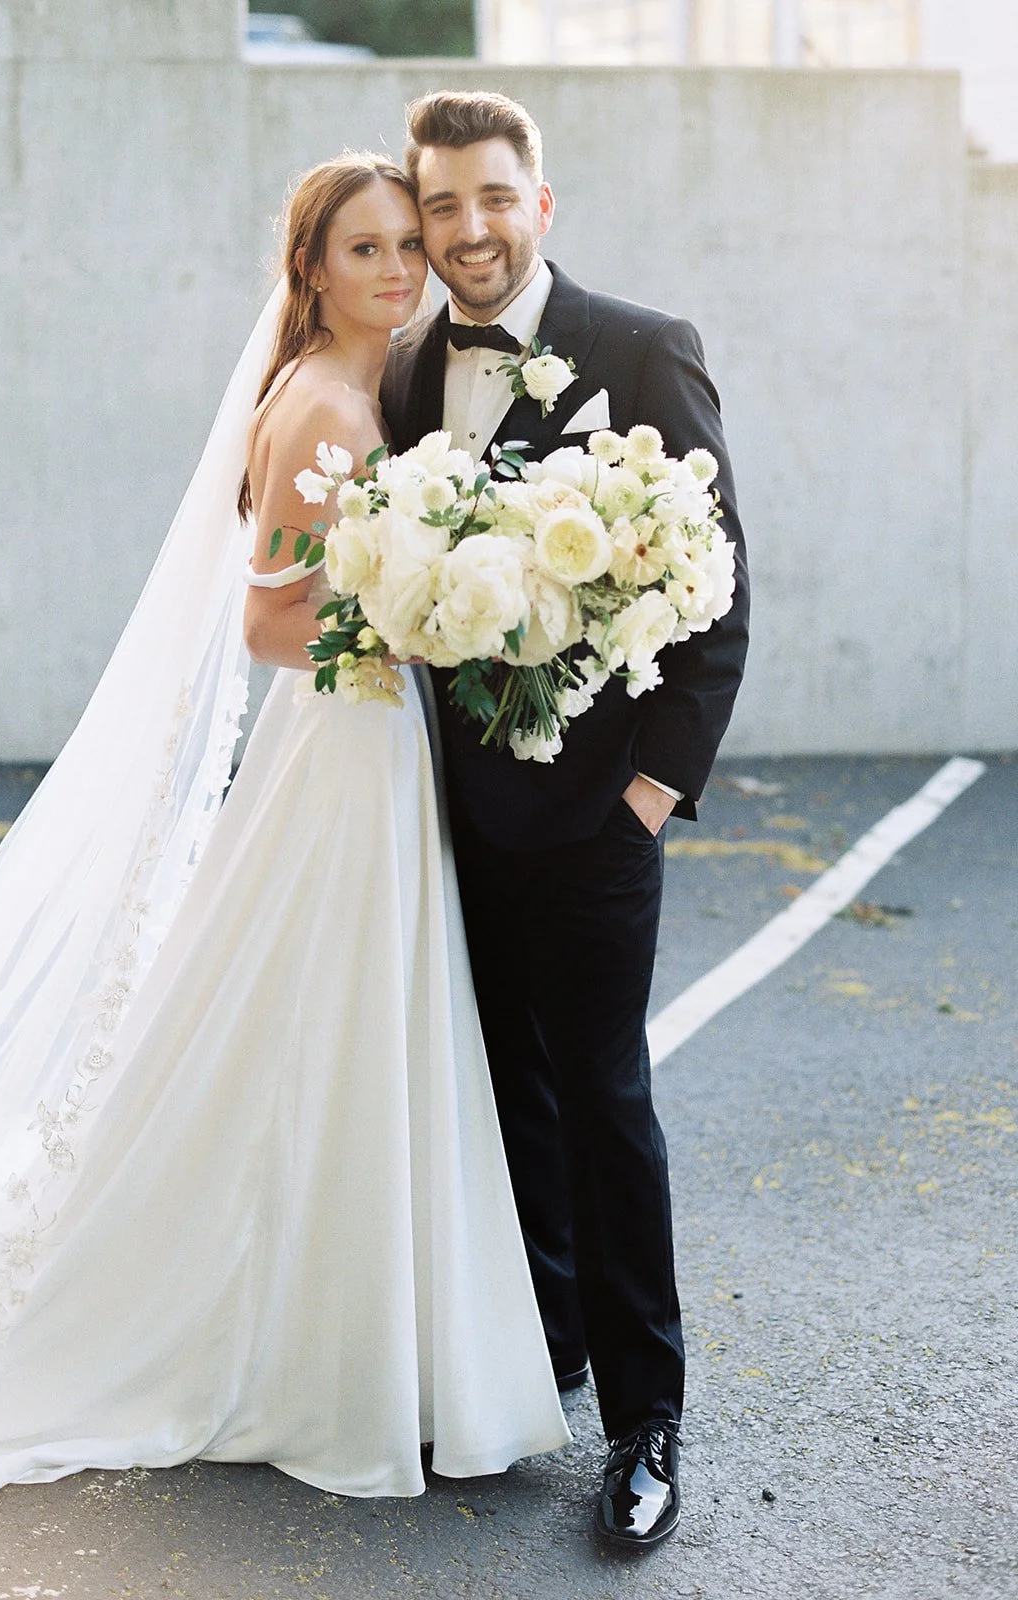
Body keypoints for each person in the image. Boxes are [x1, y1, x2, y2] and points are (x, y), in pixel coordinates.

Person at [0, 152, 568, 1506]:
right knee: (321, 1024)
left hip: (367, 743)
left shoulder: (353, 387)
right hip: (344, 744)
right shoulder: (325, 407)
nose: (398, 269)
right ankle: (316, 1347)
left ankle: (355, 1324)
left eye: (408, 244)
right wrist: (421, 611)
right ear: (312, 271)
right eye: (366, 250)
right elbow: (269, 621)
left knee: (331, 1026)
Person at [382, 91, 751, 1549]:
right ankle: (545, 1360)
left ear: (541, 200)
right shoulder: (413, 371)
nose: (466, 230)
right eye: (441, 208)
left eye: (491, 197)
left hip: (601, 814)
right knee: (505, 1094)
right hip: (457, 810)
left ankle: (649, 1422)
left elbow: (716, 594)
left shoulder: (642, 347)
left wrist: (655, 793)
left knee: (603, 1099)